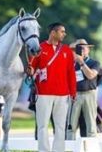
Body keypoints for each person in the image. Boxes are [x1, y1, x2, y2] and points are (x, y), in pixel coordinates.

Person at [27, 22, 76, 152]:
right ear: (53, 32)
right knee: (42, 125)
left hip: (63, 94)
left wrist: (73, 93)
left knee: (60, 126)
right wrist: (30, 70)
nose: (64, 34)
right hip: (43, 93)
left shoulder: (67, 50)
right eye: (62, 31)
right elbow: (32, 68)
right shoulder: (40, 48)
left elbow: (71, 73)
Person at [67, 39, 100, 139]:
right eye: (79, 48)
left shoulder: (94, 63)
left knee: (91, 124)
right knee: (71, 124)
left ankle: (91, 148)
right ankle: (70, 147)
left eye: (84, 47)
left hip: (89, 94)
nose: (82, 50)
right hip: (74, 94)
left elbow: (90, 75)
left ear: (88, 49)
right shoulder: (71, 63)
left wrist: (81, 63)